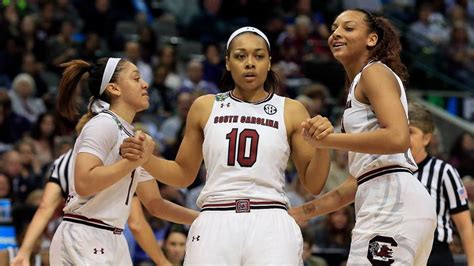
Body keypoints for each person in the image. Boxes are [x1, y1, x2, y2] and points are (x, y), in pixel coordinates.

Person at [120, 26, 332, 265]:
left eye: (258, 56)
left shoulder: (292, 109)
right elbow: (182, 175)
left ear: (270, 62)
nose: (250, 63)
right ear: (228, 63)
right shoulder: (205, 106)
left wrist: (323, 145)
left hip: (270, 218)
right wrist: (146, 158)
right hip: (215, 216)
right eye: (240, 56)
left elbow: (313, 184)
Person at [289, 9, 436, 265]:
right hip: (390, 198)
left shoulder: (374, 72)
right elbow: (355, 181)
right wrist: (302, 212)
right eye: (334, 28)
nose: (336, 33)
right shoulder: (359, 85)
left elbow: (398, 137)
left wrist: (328, 140)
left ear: (371, 39)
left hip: (391, 202)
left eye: (348, 28)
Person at [48, 57, 198, 265]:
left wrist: (204, 219)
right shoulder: (102, 124)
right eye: (136, 78)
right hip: (85, 234)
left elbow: (155, 204)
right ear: (114, 88)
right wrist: (134, 161)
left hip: (113, 238)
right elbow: (84, 182)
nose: (145, 84)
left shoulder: (132, 137)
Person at [10, 149, 174, 266]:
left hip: (70, 230)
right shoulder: (121, 155)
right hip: (100, 231)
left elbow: (45, 207)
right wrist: (161, 261)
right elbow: (137, 222)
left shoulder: (64, 160)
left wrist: (25, 250)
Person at [408, 102, 474, 266]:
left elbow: (465, 226)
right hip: (398, 251)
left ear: (426, 138)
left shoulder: (444, 171)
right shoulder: (389, 170)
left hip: (435, 255)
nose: (403, 137)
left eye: (410, 132)